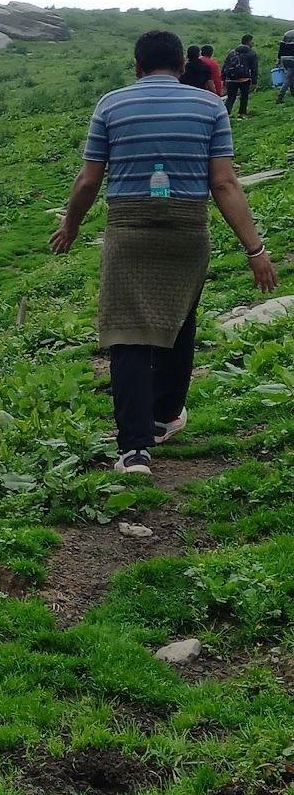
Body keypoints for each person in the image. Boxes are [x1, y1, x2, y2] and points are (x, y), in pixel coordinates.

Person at [50, 30, 277, 474]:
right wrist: (255, 250)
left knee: (126, 334)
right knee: (178, 319)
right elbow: (225, 183)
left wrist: (71, 225)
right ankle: (166, 415)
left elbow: (89, 180)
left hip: (129, 229)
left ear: (137, 66)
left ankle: (134, 450)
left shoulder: (111, 105)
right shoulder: (210, 106)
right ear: (180, 65)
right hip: (186, 228)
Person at [222, 33, 259, 118]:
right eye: (252, 41)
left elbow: (225, 65)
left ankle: (225, 115)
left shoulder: (232, 52)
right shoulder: (251, 53)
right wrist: (254, 82)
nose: (253, 43)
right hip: (244, 79)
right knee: (244, 97)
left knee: (230, 98)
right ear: (248, 42)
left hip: (230, 79)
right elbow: (254, 69)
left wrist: (223, 78)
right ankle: (242, 114)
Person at [277, 28, 294, 104]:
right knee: (288, 79)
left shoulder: (287, 34)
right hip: (292, 59)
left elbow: (281, 48)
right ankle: (279, 98)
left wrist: (278, 60)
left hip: (284, 59)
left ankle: (293, 94)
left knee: (291, 77)